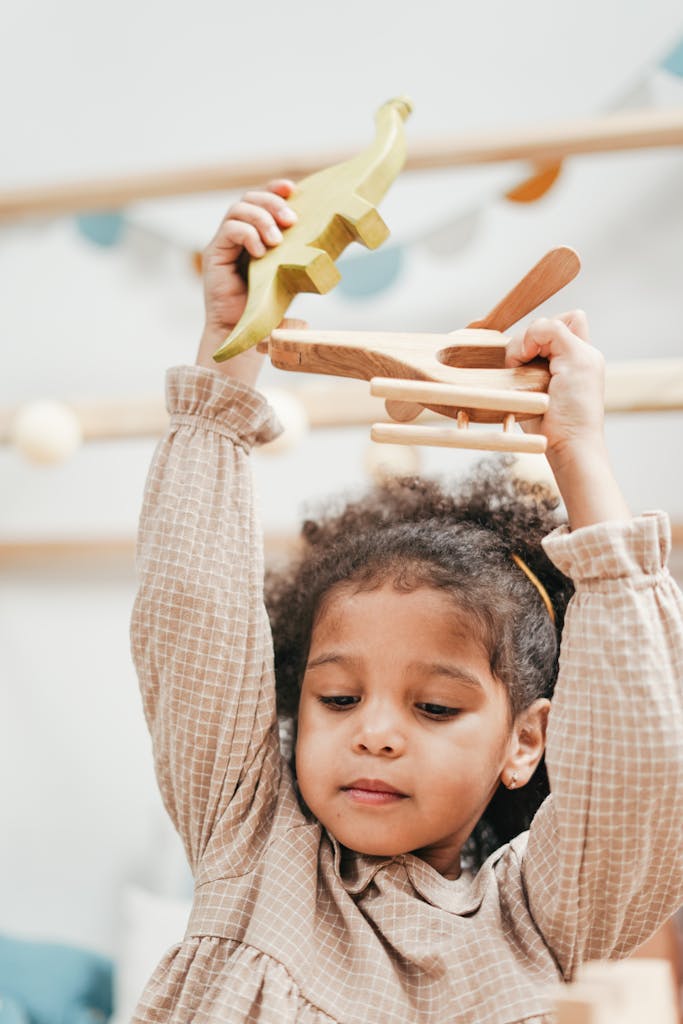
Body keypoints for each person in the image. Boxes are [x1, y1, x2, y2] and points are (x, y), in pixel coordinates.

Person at [130, 180, 683, 1023]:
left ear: (524, 742)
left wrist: (577, 450)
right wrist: (228, 344)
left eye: (433, 706)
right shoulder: (250, 845)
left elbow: (637, 760)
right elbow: (191, 611)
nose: (375, 733)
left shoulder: (539, 922)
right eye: (337, 698)